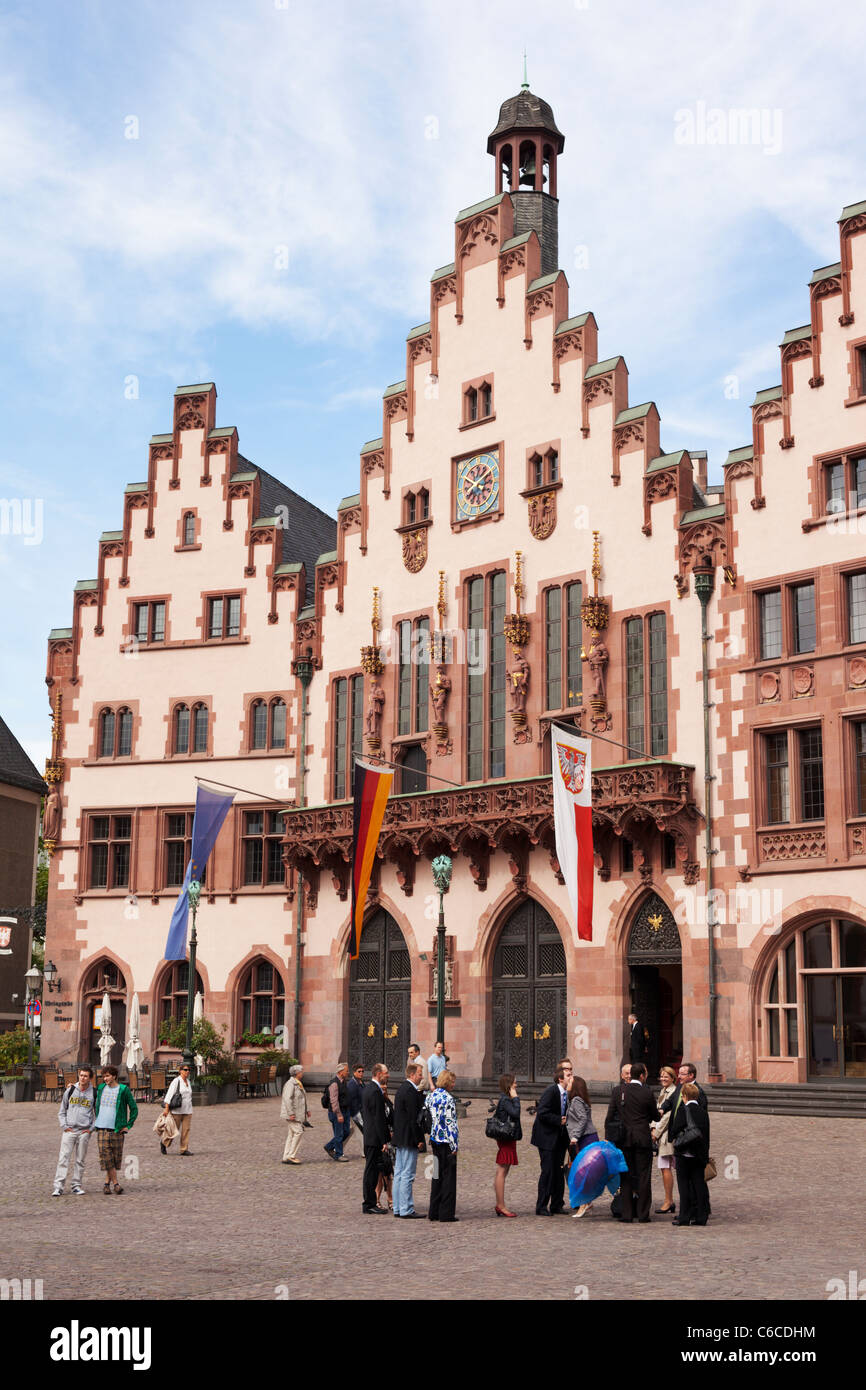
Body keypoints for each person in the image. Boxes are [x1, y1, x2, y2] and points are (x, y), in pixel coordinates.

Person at [531, 1062, 570, 1216]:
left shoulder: (568, 1094)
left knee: (558, 1171)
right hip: (546, 1137)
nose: (571, 1077)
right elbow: (542, 1112)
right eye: (568, 1075)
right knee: (547, 1171)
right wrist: (558, 1120)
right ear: (561, 1079)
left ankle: (557, 1204)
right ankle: (541, 1206)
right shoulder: (551, 1091)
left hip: (560, 1139)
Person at [619, 1062, 656, 1222]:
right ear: (642, 1076)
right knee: (644, 1175)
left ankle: (627, 1213)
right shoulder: (647, 1092)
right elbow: (655, 1116)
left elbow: (613, 1114)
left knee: (626, 1175)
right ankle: (642, 1213)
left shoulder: (620, 1091)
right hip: (642, 1138)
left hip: (625, 1138)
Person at [93, 1064, 138, 1195]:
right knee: (106, 1158)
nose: (105, 1079)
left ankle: (106, 1184)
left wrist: (128, 1125)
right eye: (103, 1076)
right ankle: (116, 1184)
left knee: (113, 1159)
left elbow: (134, 1108)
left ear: (114, 1076)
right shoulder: (101, 1088)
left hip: (117, 1130)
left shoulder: (123, 1090)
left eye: (107, 1076)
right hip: (101, 1128)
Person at [52, 1064, 96, 1196]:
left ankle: (76, 1185)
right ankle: (58, 1187)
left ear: (90, 1078)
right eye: (81, 1075)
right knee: (63, 1158)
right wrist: (65, 1126)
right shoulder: (70, 1090)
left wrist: (91, 1129)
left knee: (80, 1160)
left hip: (84, 1131)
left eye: (85, 1076)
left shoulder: (94, 1093)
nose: (82, 1078)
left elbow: (97, 1114)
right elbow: (62, 1111)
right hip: (69, 1130)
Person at [671, 1083, 710, 1226]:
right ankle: (701, 1216)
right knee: (699, 1185)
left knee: (684, 1186)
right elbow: (706, 1135)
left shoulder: (683, 1110)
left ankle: (684, 1216)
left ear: (685, 1096)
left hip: (684, 1153)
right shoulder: (703, 1112)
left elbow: (674, 1130)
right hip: (698, 1155)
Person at [425, 1068, 459, 1222]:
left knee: (436, 1176)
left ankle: (434, 1211)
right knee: (448, 1179)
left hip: (434, 1139)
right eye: (452, 1082)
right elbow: (451, 1124)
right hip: (446, 1141)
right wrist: (455, 1145)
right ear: (447, 1082)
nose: (453, 1084)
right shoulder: (448, 1099)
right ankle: (446, 1213)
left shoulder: (431, 1096)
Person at [393, 1062, 426, 1218]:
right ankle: (406, 1208)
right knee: (407, 1174)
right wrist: (419, 1139)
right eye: (419, 1074)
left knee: (399, 1173)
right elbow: (414, 1119)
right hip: (408, 1137)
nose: (421, 1077)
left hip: (401, 1136)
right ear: (412, 1075)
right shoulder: (410, 1092)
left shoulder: (401, 1089)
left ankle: (398, 1207)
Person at [566, 1075, 599, 1218]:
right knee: (585, 1172)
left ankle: (583, 1204)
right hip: (587, 1137)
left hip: (585, 1138)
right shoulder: (578, 1099)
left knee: (582, 1173)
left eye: (570, 1081)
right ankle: (587, 1202)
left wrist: (575, 1136)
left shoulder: (576, 1100)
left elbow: (583, 1118)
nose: (567, 1083)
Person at [361, 1062, 390, 1213]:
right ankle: (369, 1203)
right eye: (386, 1073)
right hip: (374, 1138)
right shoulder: (374, 1091)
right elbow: (378, 1118)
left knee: (371, 1170)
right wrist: (384, 1140)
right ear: (379, 1074)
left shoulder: (369, 1088)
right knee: (371, 1171)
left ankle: (370, 1202)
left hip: (370, 1136)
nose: (388, 1075)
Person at [492, 1073, 521, 1218]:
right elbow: (516, 1113)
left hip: (508, 1137)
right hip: (506, 1138)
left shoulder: (504, 1099)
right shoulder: (506, 1100)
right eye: (515, 1083)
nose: (516, 1085)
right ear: (509, 1085)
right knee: (502, 1171)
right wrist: (516, 1098)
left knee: (503, 1170)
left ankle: (500, 1204)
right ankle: (501, 1205)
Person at [652, 1065, 678, 1213]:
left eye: (666, 1076)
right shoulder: (663, 1090)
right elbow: (657, 1112)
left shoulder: (673, 1091)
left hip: (667, 1135)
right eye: (661, 1076)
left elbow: (667, 1116)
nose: (663, 1078)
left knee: (666, 1166)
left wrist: (656, 1132)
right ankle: (669, 1200)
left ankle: (669, 1201)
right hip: (662, 1134)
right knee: (664, 1167)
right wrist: (652, 1126)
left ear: (673, 1078)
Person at [161, 1063, 193, 1155]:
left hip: (188, 1110)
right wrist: (166, 1108)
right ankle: (164, 1142)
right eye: (185, 1070)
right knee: (173, 1130)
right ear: (180, 1071)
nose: (187, 1072)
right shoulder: (176, 1081)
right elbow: (169, 1095)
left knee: (186, 1130)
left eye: (188, 1070)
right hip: (177, 1110)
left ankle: (184, 1149)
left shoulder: (188, 1082)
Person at [280, 1064, 310, 1164]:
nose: (302, 1073)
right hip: (293, 1114)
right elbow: (287, 1099)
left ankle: (286, 1156)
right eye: (301, 1071)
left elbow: (302, 1099)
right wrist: (291, 1113)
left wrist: (307, 1110)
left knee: (291, 1134)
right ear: (297, 1073)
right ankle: (291, 1155)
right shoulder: (290, 1084)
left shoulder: (298, 1083)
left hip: (297, 1113)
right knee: (298, 1132)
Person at [324, 1061, 351, 1162]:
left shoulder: (344, 1082)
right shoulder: (334, 1083)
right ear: (340, 1072)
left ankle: (329, 1146)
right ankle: (339, 1154)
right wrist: (339, 1114)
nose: (348, 1072)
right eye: (346, 1071)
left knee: (346, 1132)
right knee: (339, 1134)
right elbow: (334, 1101)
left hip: (345, 1111)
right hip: (337, 1112)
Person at [375, 1079, 395, 1210]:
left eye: (386, 1084)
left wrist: (393, 1131)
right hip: (379, 1141)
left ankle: (390, 1198)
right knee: (379, 1172)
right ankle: (376, 1199)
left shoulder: (388, 1102)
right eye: (382, 1084)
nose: (384, 1086)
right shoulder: (376, 1101)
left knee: (388, 1171)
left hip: (390, 1141)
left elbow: (393, 1119)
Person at [346, 1063, 365, 1141]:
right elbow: (351, 1101)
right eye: (359, 1071)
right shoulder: (352, 1084)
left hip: (361, 1111)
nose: (361, 1073)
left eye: (362, 1071)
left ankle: (332, 1146)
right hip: (356, 1113)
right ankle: (332, 1145)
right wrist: (357, 1113)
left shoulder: (361, 1082)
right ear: (354, 1072)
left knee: (350, 1132)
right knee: (361, 1132)